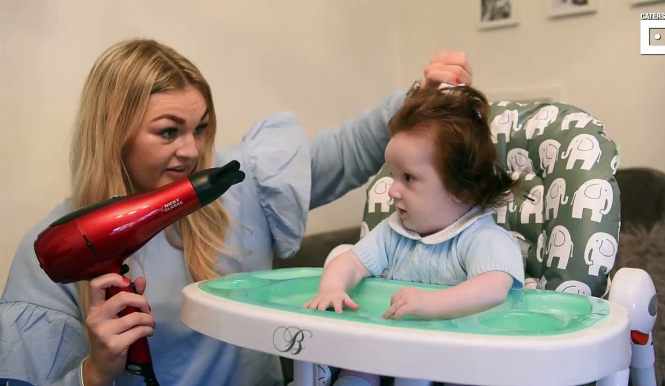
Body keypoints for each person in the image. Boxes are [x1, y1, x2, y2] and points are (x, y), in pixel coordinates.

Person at [0, 38, 472, 386]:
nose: (191, 150)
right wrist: (95, 372)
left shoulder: (234, 185)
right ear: (112, 132)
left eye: (201, 128)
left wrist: (421, 95)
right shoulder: (56, 250)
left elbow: (347, 150)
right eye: (168, 132)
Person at [303, 84, 526, 386]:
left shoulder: (483, 239)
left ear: (460, 189)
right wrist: (332, 287)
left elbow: (493, 288)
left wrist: (430, 305)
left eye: (408, 178)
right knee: (356, 367)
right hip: (392, 350)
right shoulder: (393, 233)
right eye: (394, 175)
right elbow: (350, 262)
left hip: (462, 360)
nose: (393, 190)